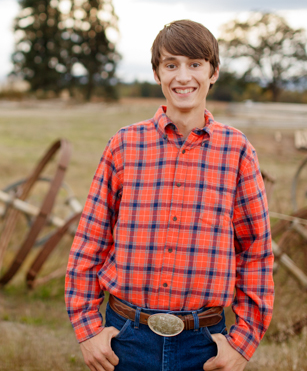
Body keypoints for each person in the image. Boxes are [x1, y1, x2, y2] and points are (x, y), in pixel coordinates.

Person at [66, 19, 273, 371]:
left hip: (203, 343)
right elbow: (91, 241)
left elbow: (255, 251)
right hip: (127, 338)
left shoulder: (237, 151)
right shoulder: (124, 145)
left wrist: (242, 342)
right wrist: (87, 330)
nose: (183, 77)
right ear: (157, 73)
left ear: (213, 72)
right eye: (171, 65)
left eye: (195, 65)